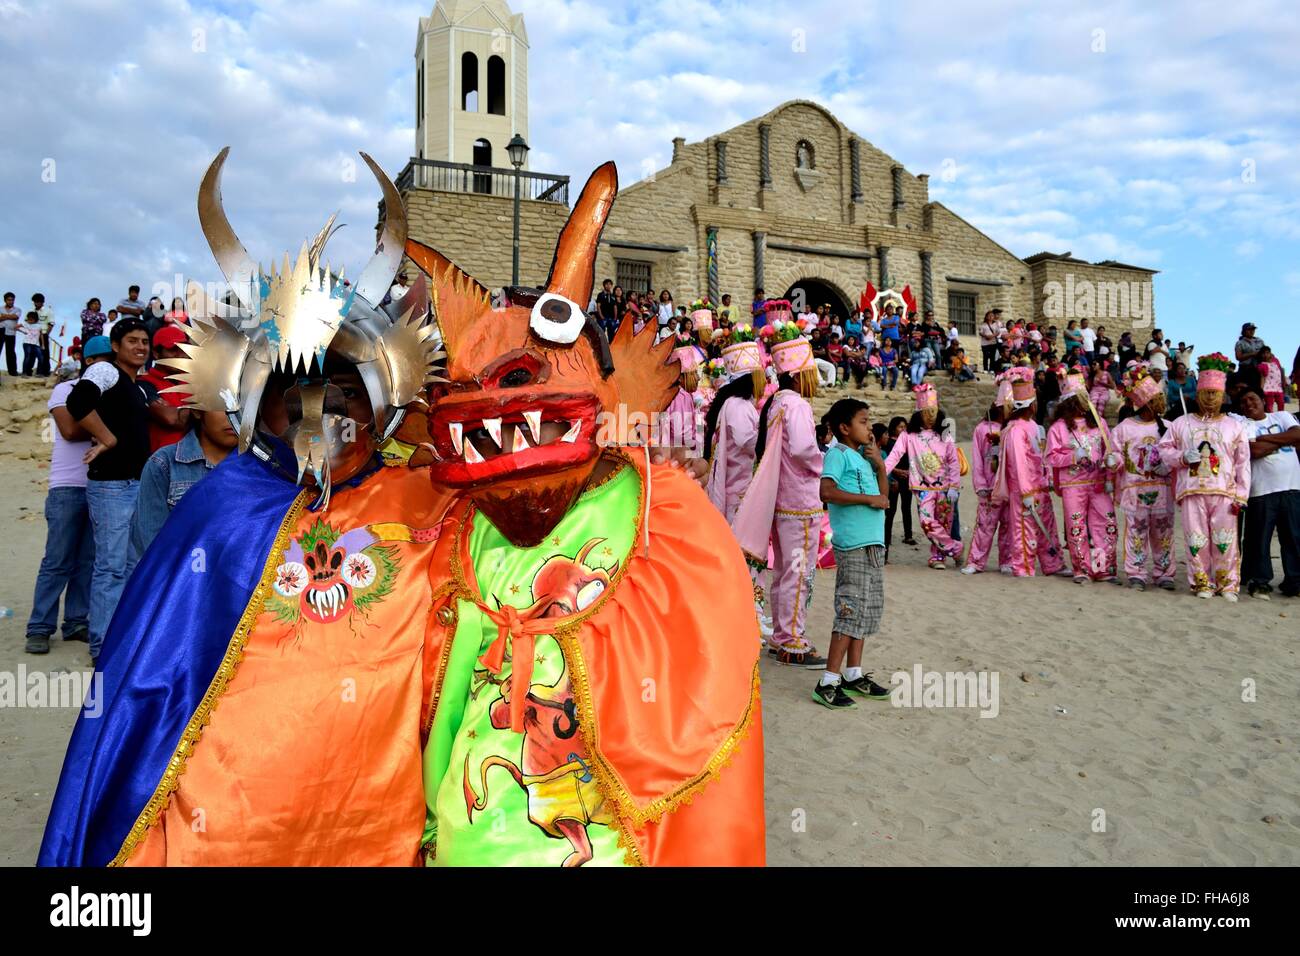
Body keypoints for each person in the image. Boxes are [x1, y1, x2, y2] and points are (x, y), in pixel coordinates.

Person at [44, 154, 763, 868]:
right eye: (293, 397)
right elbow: (149, 686)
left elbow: (539, 502)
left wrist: (635, 466)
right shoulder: (217, 513)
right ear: (256, 405)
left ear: (380, 398)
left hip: (380, 834)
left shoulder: (427, 495)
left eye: (343, 393)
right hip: (228, 832)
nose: (319, 415)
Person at [63, 317, 158, 666]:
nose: (140, 347)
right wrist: (108, 438)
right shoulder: (106, 372)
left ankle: (123, 638)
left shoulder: (139, 386)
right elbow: (77, 403)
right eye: (132, 341)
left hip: (136, 485)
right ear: (115, 346)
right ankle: (102, 646)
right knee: (111, 566)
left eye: (145, 342)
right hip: (112, 486)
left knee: (132, 564)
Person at [735, 333, 827, 667]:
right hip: (800, 501)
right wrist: (823, 462)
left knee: (787, 571)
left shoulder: (776, 403)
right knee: (799, 572)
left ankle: (781, 636)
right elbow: (804, 449)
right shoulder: (797, 405)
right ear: (802, 372)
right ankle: (792, 639)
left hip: (782, 501)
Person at [23, 342, 112, 654]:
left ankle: (75, 622)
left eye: (110, 361)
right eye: (100, 360)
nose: (106, 367)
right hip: (67, 486)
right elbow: (71, 431)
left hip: (101, 487)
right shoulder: (66, 389)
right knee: (58, 560)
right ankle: (39, 627)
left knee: (88, 561)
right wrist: (107, 431)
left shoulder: (111, 394)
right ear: (86, 360)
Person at [814, 398, 892, 707]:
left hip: (872, 543)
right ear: (844, 428)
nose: (869, 426)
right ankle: (828, 681)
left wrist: (881, 466)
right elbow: (826, 491)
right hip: (854, 546)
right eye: (863, 421)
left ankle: (853, 673)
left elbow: (884, 499)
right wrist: (865, 499)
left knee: (866, 609)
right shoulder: (838, 454)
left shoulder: (863, 458)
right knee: (850, 609)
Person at [1157, 354, 1252, 599]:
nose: (1211, 398)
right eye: (1206, 393)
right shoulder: (1181, 423)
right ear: (1197, 394)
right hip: (1192, 491)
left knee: (1225, 539)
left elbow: (1243, 463)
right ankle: (1202, 583)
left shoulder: (1234, 426)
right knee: (1196, 539)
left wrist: (1241, 494)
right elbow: (1163, 450)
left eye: (1215, 394)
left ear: (1223, 396)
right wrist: (1181, 457)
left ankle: (1227, 584)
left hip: (1224, 492)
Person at [128, 409, 240, 564]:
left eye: (241, 406)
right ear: (197, 411)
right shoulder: (164, 464)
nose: (233, 416)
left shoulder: (260, 468)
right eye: (222, 405)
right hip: (182, 582)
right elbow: (150, 545)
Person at [990, 368, 1067, 577]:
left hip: (1039, 485)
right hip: (1024, 489)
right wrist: (1025, 491)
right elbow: (1018, 463)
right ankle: (1023, 565)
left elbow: (1040, 456)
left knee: (1047, 527)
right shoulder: (1014, 430)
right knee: (1024, 529)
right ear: (1031, 404)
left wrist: (1046, 478)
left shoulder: (1033, 426)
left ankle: (1053, 563)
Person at [1046, 372, 1121, 582]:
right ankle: (1082, 568)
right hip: (1073, 484)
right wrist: (1072, 456)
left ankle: (1102, 568)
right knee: (1076, 525)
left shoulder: (1099, 423)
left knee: (1105, 524)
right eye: (1079, 398)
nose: (1084, 403)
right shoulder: (1058, 428)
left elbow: (1111, 450)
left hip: (1097, 483)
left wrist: (1112, 465)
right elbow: (1051, 457)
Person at [1111, 367, 1177, 590]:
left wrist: (1166, 464)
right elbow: (1117, 454)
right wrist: (1113, 460)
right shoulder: (1124, 428)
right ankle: (1136, 572)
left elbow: (1175, 455)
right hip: (1135, 490)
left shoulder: (1169, 427)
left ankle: (1164, 572)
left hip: (1163, 489)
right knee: (1136, 531)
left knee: (1163, 532)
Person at [883, 384, 962, 569]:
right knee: (927, 522)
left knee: (943, 522)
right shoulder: (908, 436)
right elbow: (894, 456)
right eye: (927, 414)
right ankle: (955, 548)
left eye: (933, 414)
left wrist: (954, 486)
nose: (930, 419)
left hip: (945, 487)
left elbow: (953, 462)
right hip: (922, 487)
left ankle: (938, 557)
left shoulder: (945, 436)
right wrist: (881, 472)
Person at [1234, 388, 1299, 598]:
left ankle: (1294, 581)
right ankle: (1260, 581)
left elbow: (1298, 434)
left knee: (1294, 537)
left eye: (1252, 399)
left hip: (1292, 487)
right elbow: (1253, 451)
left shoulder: (1281, 415)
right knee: (1259, 539)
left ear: (1263, 400)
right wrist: (1285, 439)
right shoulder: (1243, 424)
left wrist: (1266, 439)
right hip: (1260, 490)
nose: (1248, 404)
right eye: (1243, 402)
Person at [963, 377, 1015, 575]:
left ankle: (1006, 560)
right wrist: (981, 484)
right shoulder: (982, 429)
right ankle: (976, 561)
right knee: (985, 525)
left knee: (1008, 525)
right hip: (989, 486)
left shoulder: (1013, 429)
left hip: (1009, 486)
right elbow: (977, 459)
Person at [138, 324, 194, 451]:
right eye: (173, 349)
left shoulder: (193, 380)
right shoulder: (144, 383)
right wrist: (204, 409)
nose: (180, 355)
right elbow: (172, 419)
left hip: (200, 460)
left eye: (183, 349)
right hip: (165, 463)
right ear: (156, 354)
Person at [882, 415, 915, 558]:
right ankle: (886, 539)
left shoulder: (908, 441)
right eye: (900, 427)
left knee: (907, 507)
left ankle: (908, 535)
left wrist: (909, 472)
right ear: (893, 427)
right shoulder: (888, 443)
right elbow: (887, 460)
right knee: (891, 510)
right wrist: (896, 472)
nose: (903, 429)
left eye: (904, 427)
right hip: (893, 479)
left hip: (907, 477)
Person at [1257, 345, 1289, 412]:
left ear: (1270, 353)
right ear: (1260, 355)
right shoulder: (1262, 365)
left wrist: (1284, 381)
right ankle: (1272, 420)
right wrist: (1261, 390)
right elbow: (1262, 378)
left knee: (1281, 404)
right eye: (1263, 353)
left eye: (1267, 353)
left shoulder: (1276, 361)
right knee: (1269, 406)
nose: (1265, 355)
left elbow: (1281, 370)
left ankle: (1281, 417)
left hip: (1278, 388)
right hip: (1268, 389)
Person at [0, 291, 19, 376]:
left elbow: (16, 317)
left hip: (11, 332)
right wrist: (10, 316)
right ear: (5, 300)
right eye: (9, 300)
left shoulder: (17, 309)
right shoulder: (0, 308)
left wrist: (4, 316)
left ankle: (12, 372)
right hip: (0, 330)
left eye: (12, 300)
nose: (11, 302)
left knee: (10, 352)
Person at [19, 311, 43, 375]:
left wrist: (42, 344)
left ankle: (39, 373)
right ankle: (24, 372)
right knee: (27, 357)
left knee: (40, 357)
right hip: (27, 342)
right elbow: (16, 327)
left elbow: (41, 335)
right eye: (29, 319)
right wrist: (23, 331)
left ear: (35, 319)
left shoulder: (39, 326)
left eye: (31, 320)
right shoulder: (26, 324)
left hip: (36, 344)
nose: (30, 321)